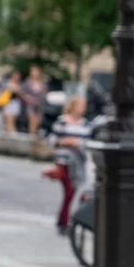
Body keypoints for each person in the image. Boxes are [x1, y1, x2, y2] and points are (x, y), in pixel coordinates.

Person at [47, 95, 92, 233]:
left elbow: (87, 142)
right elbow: (52, 140)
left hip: (77, 162)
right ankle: (65, 221)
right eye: (80, 105)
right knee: (69, 191)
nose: (82, 109)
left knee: (72, 191)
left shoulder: (85, 124)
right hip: (64, 161)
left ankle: (63, 220)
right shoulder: (63, 121)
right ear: (73, 106)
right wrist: (67, 142)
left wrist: (79, 144)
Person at [21, 66, 48, 136]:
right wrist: (27, 98)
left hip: (39, 104)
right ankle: (32, 135)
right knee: (32, 120)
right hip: (30, 104)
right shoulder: (28, 82)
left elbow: (45, 93)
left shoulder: (42, 82)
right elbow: (22, 92)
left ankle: (35, 135)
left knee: (38, 121)